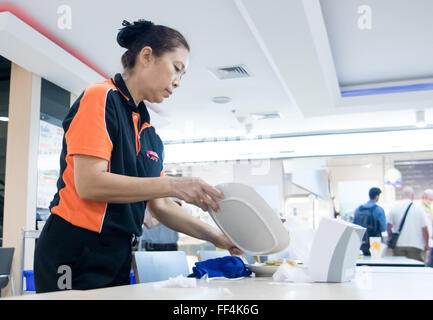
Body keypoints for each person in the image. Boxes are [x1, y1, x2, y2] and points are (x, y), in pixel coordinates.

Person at [33, 19, 242, 293]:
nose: (177, 82)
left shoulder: (150, 135)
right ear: (146, 56)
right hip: (75, 246)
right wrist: (175, 184)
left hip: (117, 251)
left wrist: (222, 239)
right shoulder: (101, 97)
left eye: (182, 75)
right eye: (176, 69)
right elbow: (89, 183)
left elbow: (162, 207)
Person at [387, 186, 429, 262]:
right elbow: (424, 229)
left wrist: (390, 238)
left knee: (400, 269)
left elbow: (389, 227)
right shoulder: (419, 209)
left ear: (403, 195)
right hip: (415, 245)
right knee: (414, 270)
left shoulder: (394, 208)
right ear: (412, 195)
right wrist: (426, 244)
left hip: (398, 245)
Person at [353, 187, 387, 256]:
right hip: (375, 240)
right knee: (375, 258)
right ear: (377, 196)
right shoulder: (378, 210)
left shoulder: (358, 209)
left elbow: (354, 225)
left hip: (362, 240)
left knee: (364, 260)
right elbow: (383, 228)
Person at [420, 189, 433, 265]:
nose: (430, 201)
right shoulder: (420, 209)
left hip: (429, 241)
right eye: (430, 199)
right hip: (423, 241)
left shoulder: (430, 209)